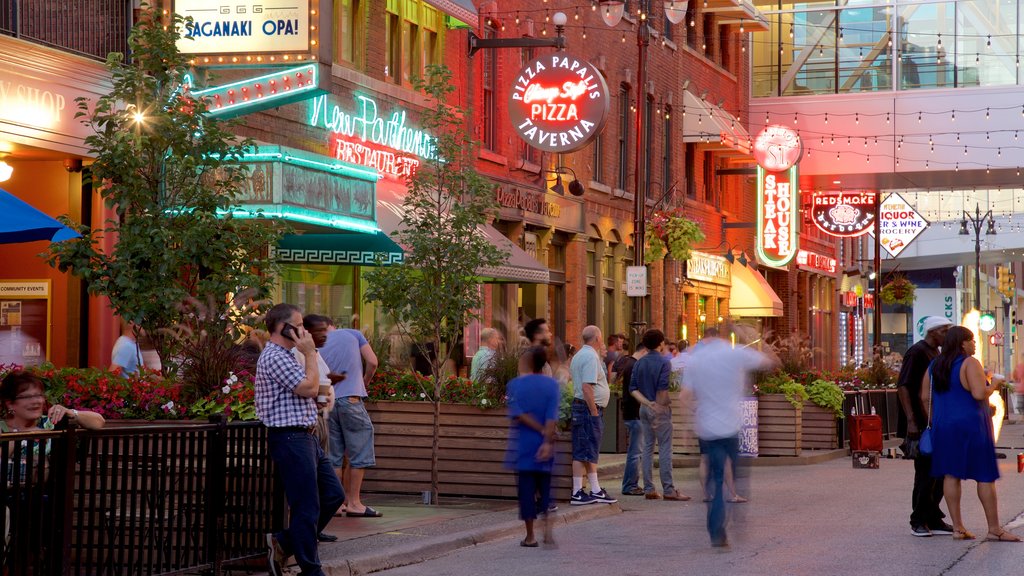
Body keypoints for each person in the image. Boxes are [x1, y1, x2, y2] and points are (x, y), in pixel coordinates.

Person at [257, 304, 345, 576]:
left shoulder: (287, 355)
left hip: (305, 435)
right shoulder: (275, 356)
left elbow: (307, 390)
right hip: (290, 437)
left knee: (333, 495)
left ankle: (283, 542)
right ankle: (311, 569)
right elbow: (307, 387)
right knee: (306, 505)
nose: (305, 331)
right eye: (300, 325)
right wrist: (308, 353)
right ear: (285, 328)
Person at [922, 326, 1021, 542]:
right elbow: (978, 393)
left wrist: (935, 419)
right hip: (971, 426)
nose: (975, 344)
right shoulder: (969, 363)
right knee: (984, 475)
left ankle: (957, 527)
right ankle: (994, 528)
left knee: (950, 475)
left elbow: (924, 397)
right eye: (972, 340)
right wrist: (993, 384)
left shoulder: (934, 365)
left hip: (944, 426)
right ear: (962, 343)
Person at [682, 327, 775, 548]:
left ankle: (716, 528)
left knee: (715, 478)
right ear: (722, 336)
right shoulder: (733, 352)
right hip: (731, 425)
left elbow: (685, 395)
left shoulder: (696, 358)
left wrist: (688, 424)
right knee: (737, 474)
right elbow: (769, 361)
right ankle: (736, 513)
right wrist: (749, 338)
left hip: (707, 426)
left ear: (704, 336)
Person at [318, 319, 382, 519]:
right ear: (333, 324)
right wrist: (365, 382)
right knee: (359, 453)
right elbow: (372, 362)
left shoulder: (316, 342)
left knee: (333, 456)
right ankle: (354, 503)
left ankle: (336, 505)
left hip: (328, 403)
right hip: (351, 400)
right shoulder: (354, 334)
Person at [897, 315, 953, 537]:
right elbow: (903, 386)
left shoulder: (936, 352)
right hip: (921, 423)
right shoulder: (917, 352)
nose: (947, 335)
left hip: (934, 419)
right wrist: (911, 420)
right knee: (925, 472)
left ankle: (933, 516)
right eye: (944, 331)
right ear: (933, 332)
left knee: (938, 472)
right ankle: (918, 520)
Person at [506, 346, 560, 548]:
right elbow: (552, 416)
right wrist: (546, 437)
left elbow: (518, 413)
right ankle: (547, 531)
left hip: (525, 446)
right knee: (545, 489)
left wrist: (538, 430)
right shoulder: (552, 385)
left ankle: (530, 536)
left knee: (526, 491)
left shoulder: (515, 385)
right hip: (545, 446)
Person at [629, 329, 689, 501]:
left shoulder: (639, 362)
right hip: (659, 408)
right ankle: (669, 489)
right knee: (664, 448)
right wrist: (659, 406)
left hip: (644, 407)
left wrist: (647, 403)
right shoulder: (664, 363)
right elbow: (662, 388)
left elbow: (632, 388)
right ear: (661, 343)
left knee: (647, 447)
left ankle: (649, 488)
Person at [301, 315, 340, 542]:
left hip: (322, 418)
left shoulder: (316, 354)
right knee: (318, 483)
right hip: (311, 421)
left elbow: (323, 380)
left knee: (328, 487)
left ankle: (313, 528)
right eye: (320, 331)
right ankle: (304, 533)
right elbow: (307, 385)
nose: (325, 335)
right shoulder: (300, 355)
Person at [567, 325, 616, 505]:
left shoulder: (580, 355)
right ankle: (577, 492)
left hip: (584, 408)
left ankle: (595, 489)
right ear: (597, 338)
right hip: (588, 408)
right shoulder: (590, 357)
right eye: (601, 337)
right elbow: (587, 387)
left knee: (590, 449)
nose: (602, 340)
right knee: (582, 451)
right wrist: (594, 412)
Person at [1, 370, 106, 433]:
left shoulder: (51, 422)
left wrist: (70, 412)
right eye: (27, 397)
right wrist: (23, 434)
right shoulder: (2, 428)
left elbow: (99, 422)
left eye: (38, 395)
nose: (36, 401)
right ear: (10, 403)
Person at [614, 344, 646, 496]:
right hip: (634, 413)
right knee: (635, 452)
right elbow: (635, 390)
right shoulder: (634, 365)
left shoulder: (629, 363)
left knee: (635, 451)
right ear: (644, 351)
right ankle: (629, 485)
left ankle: (630, 484)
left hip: (630, 413)